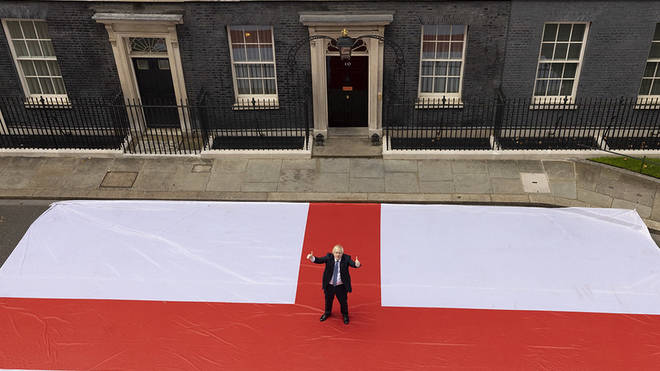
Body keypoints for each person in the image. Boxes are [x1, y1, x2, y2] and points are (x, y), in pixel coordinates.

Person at [306, 244, 361, 324]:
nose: (338, 254)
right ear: (333, 253)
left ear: (342, 253)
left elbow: (353, 264)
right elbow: (319, 260)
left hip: (341, 286)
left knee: (343, 302)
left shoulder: (346, 258)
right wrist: (312, 258)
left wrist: (357, 264)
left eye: (339, 253)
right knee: (328, 300)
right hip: (329, 285)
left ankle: (345, 315)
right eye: (336, 252)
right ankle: (327, 313)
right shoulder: (329, 257)